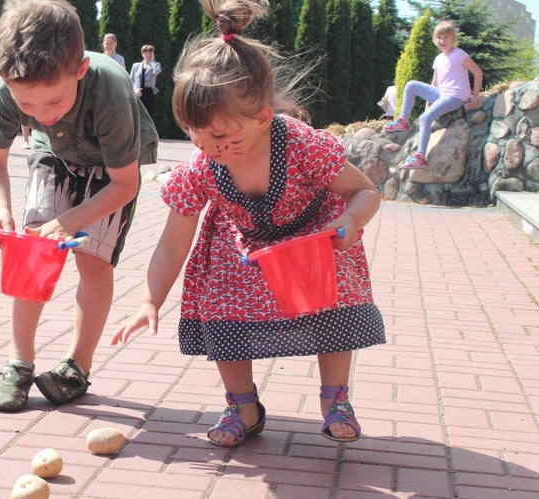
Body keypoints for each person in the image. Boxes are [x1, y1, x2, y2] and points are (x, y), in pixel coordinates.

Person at [112, 0, 385, 448]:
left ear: (262, 119)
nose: (209, 147)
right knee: (217, 299)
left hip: (315, 238)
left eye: (221, 136)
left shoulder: (301, 144)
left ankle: (336, 399)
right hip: (244, 248)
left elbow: (366, 192)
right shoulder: (203, 164)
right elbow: (172, 244)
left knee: (335, 299)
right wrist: (149, 299)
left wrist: (348, 223)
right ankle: (243, 406)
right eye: (196, 134)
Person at [0, 0, 158, 411]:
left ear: (79, 70)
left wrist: (73, 220)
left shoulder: (109, 91)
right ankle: (19, 362)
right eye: (28, 106)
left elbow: (124, 184)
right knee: (32, 251)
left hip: (111, 169)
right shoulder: (12, 88)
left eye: (55, 102)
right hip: (54, 156)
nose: (42, 115)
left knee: (93, 261)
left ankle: (77, 366)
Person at [383, 20, 482, 170]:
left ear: (454, 38)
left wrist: (475, 95)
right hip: (441, 93)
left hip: (455, 96)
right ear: (435, 40)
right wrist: (428, 102)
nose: (442, 41)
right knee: (411, 85)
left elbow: (478, 72)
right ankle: (403, 120)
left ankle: (420, 157)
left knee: (425, 118)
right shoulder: (438, 59)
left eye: (446, 37)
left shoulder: (459, 54)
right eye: (439, 37)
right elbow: (434, 84)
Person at [129, 45, 161, 118]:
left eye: (150, 53)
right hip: (138, 93)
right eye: (146, 52)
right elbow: (131, 80)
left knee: (148, 116)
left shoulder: (156, 65)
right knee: (137, 115)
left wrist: (152, 61)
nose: (148, 54)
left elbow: (156, 71)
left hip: (149, 93)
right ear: (142, 53)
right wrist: (136, 90)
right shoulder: (136, 66)